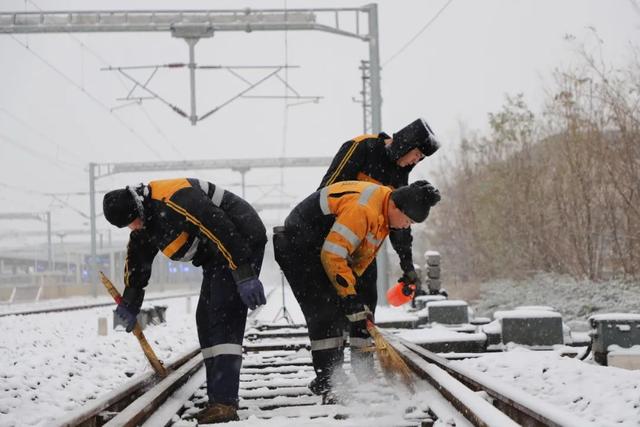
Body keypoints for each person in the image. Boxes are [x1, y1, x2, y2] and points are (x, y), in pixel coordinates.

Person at [102, 178, 267, 424]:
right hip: (215, 257)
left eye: (131, 222)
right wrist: (130, 303)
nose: (133, 228)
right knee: (205, 319)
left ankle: (224, 402)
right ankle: (218, 397)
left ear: (137, 208)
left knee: (223, 317)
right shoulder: (144, 222)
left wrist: (243, 273)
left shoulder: (174, 198)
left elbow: (220, 226)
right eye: (127, 226)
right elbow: (137, 263)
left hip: (240, 239)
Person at [273, 180, 440, 401]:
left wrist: (352, 296)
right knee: (325, 312)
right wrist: (349, 296)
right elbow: (333, 255)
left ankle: (334, 376)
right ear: (396, 208)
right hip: (298, 247)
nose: (405, 226)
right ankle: (329, 381)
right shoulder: (364, 210)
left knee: (343, 307)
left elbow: (357, 260)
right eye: (407, 220)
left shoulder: (383, 213)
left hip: (321, 248)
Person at [319, 118, 443, 303]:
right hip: (334, 238)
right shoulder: (362, 147)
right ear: (405, 144)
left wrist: (407, 266)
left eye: (420, 159)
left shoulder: (400, 175)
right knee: (335, 300)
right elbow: (328, 190)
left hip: (364, 247)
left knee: (367, 297)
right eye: (416, 155)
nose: (414, 162)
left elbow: (401, 221)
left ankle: (363, 330)